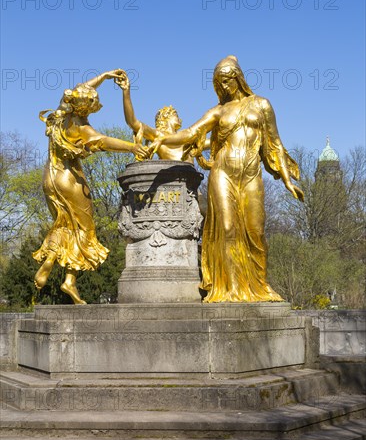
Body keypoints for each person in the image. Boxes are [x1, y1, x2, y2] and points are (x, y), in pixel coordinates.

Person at [156, 55, 304, 303]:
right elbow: (192, 133)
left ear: (238, 78)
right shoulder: (218, 111)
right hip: (222, 173)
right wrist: (161, 139)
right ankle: (232, 288)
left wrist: (288, 180)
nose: (224, 87)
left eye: (227, 81)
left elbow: (275, 144)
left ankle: (260, 286)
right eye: (219, 83)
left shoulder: (261, 105)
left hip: (250, 174)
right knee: (227, 229)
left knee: (256, 230)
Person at [33, 70, 149, 304]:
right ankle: (64, 273)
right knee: (85, 229)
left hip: (50, 177)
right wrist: (132, 148)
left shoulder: (60, 113)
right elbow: (103, 141)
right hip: (70, 180)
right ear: (89, 107)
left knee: (64, 223)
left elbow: (81, 87)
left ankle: (62, 272)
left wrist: (104, 76)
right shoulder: (83, 128)